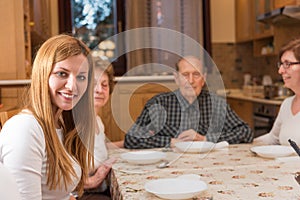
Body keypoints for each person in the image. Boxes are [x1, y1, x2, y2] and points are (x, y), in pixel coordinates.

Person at [0, 34, 96, 200]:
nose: (72, 86)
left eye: (81, 77)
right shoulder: (25, 129)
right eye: (62, 73)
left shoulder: (60, 123)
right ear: (43, 73)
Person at [124, 56, 253, 149]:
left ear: (204, 79)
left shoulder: (217, 104)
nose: (191, 81)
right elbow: (131, 139)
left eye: (196, 75)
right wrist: (171, 142)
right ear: (176, 78)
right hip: (168, 169)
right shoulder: (158, 103)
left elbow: (246, 133)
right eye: (185, 75)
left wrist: (206, 140)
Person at [79, 57, 122, 200]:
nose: (99, 90)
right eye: (93, 84)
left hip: (99, 190)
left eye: (104, 85)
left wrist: (129, 142)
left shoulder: (97, 120)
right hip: (81, 195)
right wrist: (92, 181)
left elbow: (99, 148)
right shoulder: (77, 123)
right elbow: (61, 173)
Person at [254, 38, 300, 145]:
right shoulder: (287, 104)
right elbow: (273, 139)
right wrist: (247, 144)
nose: (280, 71)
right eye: (281, 64)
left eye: (287, 64)